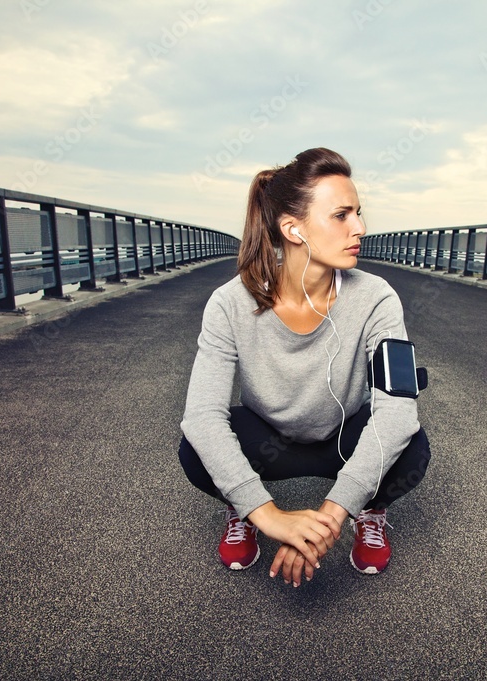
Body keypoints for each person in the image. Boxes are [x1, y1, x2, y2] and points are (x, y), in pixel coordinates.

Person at [178, 147, 430, 588]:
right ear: (293, 229)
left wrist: (328, 518)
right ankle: (244, 512)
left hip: (344, 437)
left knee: (410, 446)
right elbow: (202, 416)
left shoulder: (378, 297)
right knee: (197, 448)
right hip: (271, 438)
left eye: (359, 213)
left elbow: (397, 411)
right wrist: (272, 516)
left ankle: (368, 510)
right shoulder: (229, 302)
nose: (360, 228)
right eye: (341, 216)